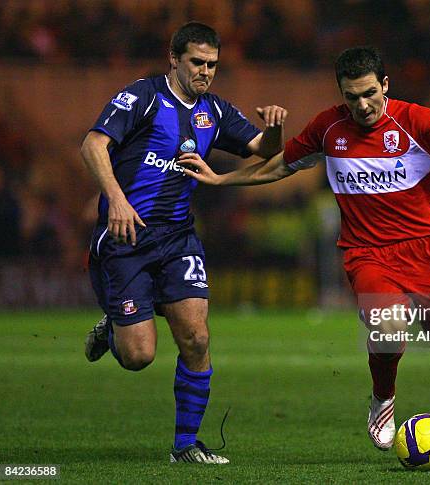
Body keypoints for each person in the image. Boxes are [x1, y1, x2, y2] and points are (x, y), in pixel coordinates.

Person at [181, 46, 430, 467]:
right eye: (351, 96)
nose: (361, 104)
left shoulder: (416, 121)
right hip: (368, 254)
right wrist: (221, 178)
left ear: (386, 86)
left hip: (429, 254)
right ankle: (383, 397)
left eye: (369, 93)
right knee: (388, 325)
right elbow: (282, 164)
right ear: (341, 93)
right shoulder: (328, 127)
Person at [81, 21, 287, 464]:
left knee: (195, 337)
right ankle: (116, 330)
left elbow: (264, 151)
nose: (206, 71)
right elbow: (93, 145)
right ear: (173, 58)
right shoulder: (142, 96)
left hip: (178, 238)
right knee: (138, 357)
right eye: (197, 62)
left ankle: (185, 446)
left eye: (212, 64)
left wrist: (274, 130)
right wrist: (115, 199)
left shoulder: (215, 111)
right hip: (127, 235)